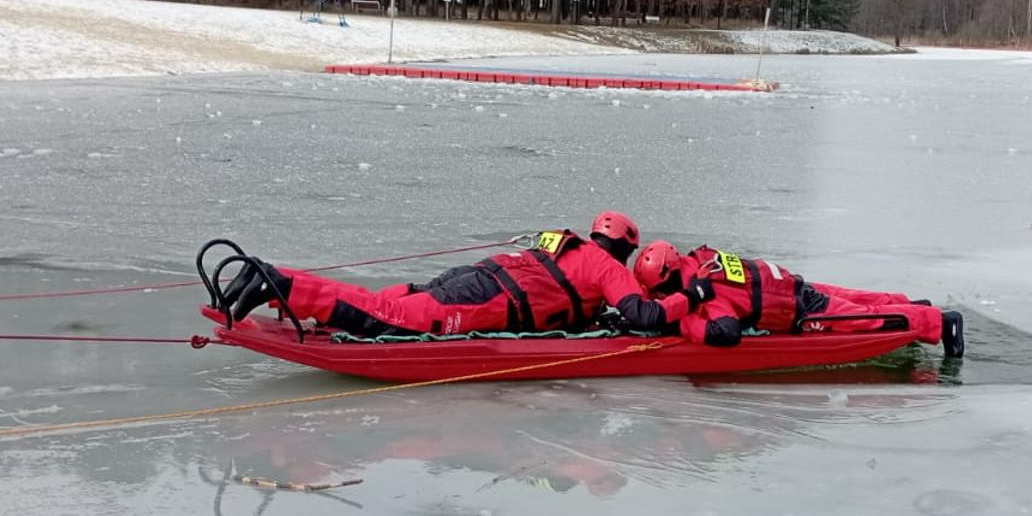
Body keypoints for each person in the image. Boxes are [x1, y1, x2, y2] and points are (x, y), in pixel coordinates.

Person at [219, 211, 709, 338]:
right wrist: (692, 296)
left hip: (477, 279)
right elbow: (643, 316)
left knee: (390, 302)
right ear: (624, 248)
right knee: (392, 321)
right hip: (488, 302)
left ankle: (281, 284)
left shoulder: (561, 240)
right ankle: (281, 285)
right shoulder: (608, 267)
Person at [632, 241, 965, 357]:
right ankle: (912, 304)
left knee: (862, 319)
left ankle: (939, 322)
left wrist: (686, 323)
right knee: (854, 299)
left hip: (794, 308)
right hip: (785, 284)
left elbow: (727, 332)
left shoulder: (705, 294)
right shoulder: (699, 259)